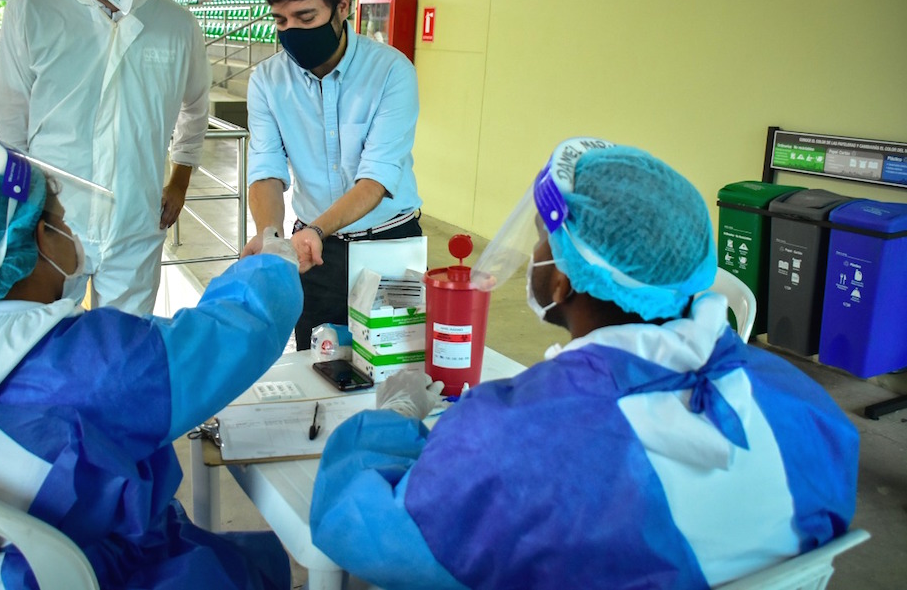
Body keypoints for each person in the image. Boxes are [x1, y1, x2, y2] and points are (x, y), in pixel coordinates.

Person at [309, 137, 860, 590]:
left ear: (565, 279)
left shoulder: (510, 434)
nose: (533, 253)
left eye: (542, 240)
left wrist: (392, 419)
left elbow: (367, 531)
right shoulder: (809, 407)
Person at [0, 134, 302, 590]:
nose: (72, 233)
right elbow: (227, 336)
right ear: (38, 240)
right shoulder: (90, 363)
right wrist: (275, 262)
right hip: (88, 571)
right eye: (62, 221)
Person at [0, 0, 211, 316]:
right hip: (52, 223)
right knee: (43, 345)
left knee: (122, 351)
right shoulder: (33, 13)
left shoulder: (177, 25)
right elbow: (10, 127)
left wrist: (180, 179)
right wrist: (18, 216)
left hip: (134, 219)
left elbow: (196, 108)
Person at [240, 0, 422, 348]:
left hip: (390, 248)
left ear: (343, 6)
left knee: (393, 366)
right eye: (281, 20)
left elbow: (375, 178)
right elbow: (266, 169)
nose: (292, 32)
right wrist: (270, 237)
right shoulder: (268, 81)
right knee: (317, 367)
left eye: (306, 17)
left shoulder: (391, 72)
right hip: (312, 255)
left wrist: (319, 229)